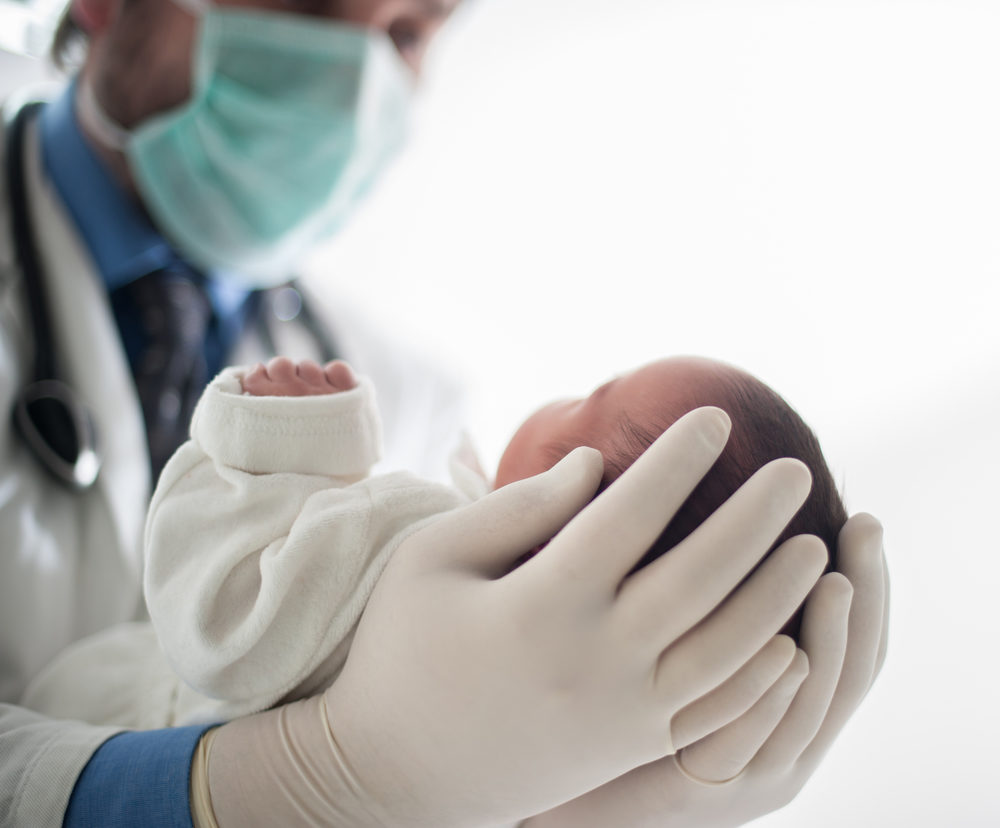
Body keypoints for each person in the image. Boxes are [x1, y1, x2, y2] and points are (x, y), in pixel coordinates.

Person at [0, 0, 889, 824]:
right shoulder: (352, 436)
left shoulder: (411, 403)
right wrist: (306, 784)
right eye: (315, 5)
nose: (359, 74)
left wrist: (563, 796)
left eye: (408, 31)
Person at [24, 354, 849, 732]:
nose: (566, 390)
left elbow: (223, 614)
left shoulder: (422, 542)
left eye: (595, 395)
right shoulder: (542, 721)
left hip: (89, 732)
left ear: (570, 504)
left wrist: (280, 439)